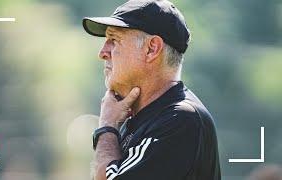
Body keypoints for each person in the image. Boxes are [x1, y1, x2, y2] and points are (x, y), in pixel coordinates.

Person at [82, 0, 221, 179]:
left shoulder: (181, 120)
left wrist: (107, 128)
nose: (102, 52)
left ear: (152, 49)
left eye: (114, 40)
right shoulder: (144, 117)